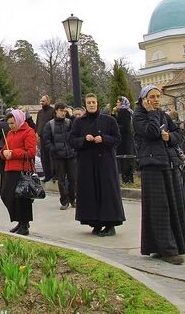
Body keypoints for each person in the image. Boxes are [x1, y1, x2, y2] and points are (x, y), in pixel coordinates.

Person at [133, 85, 185, 265]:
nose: (156, 100)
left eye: (158, 96)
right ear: (144, 99)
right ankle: (166, 249)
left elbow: (178, 134)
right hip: (152, 166)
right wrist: (151, 114)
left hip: (168, 163)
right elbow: (150, 132)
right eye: (152, 96)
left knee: (173, 205)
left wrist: (169, 138)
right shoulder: (138, 116)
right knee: (160, 208)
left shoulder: (163, 115)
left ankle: (176, 244)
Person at [69, 93, 126, 237]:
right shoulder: (79, 122)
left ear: (97, 103)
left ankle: (110, 224)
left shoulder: (109, 120)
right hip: (87, 163)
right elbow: (72, 140)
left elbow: (117, 138)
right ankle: (95, 222)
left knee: (107, 192)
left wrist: (104, 139)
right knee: (90, 193)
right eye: (89, 103)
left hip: (105, 163)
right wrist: (84, 139)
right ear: (85, 104)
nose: (92, 105)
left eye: (94, 102)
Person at [0, 109, 38, 235]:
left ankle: (24, 223)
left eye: (13, 123)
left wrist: (14, 153)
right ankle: (20, 221)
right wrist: (3, 153)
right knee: (7, 195)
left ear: (20, 121)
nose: (11, 126)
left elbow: (31, 152)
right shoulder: (10, 134)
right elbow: (5, 149)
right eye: (9, 124)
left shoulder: (29, 132)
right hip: (9, 169)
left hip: (22, 169)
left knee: (22, 198)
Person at [42, 101, 76, 210]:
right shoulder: (50, 124)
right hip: (58, 156)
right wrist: (54, 149)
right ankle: (64, 200)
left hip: (70, 154)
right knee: (61, 180)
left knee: (73, 178)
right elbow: (46, 140)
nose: (63, 113)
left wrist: (72, 116)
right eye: (61, 111)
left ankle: (73, 199)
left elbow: (75, 132)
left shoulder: (69, 122)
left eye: (64, 111)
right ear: (56, 111)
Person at [116, 96, 136, 184]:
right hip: (128, 138)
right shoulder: (129, 111)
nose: (116, 104)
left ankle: (126, 178)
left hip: (124, 139)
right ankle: (129, 178)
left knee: (125, 159)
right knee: (128, 158)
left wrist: (116, 128)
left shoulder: (123, 111)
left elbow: (124, 125)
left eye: (118, 102)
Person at [35, 95, 56, 182]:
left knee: (51, 157)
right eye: (41, 101)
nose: (42, 103)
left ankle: (53, 175)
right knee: (44, 158)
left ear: (48, 101)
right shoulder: (40, 112)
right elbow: (37, 124)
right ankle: (47, 175)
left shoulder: (52, 111)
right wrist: (37, 134)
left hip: (51, 138)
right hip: (42, 138)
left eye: (43, 101)